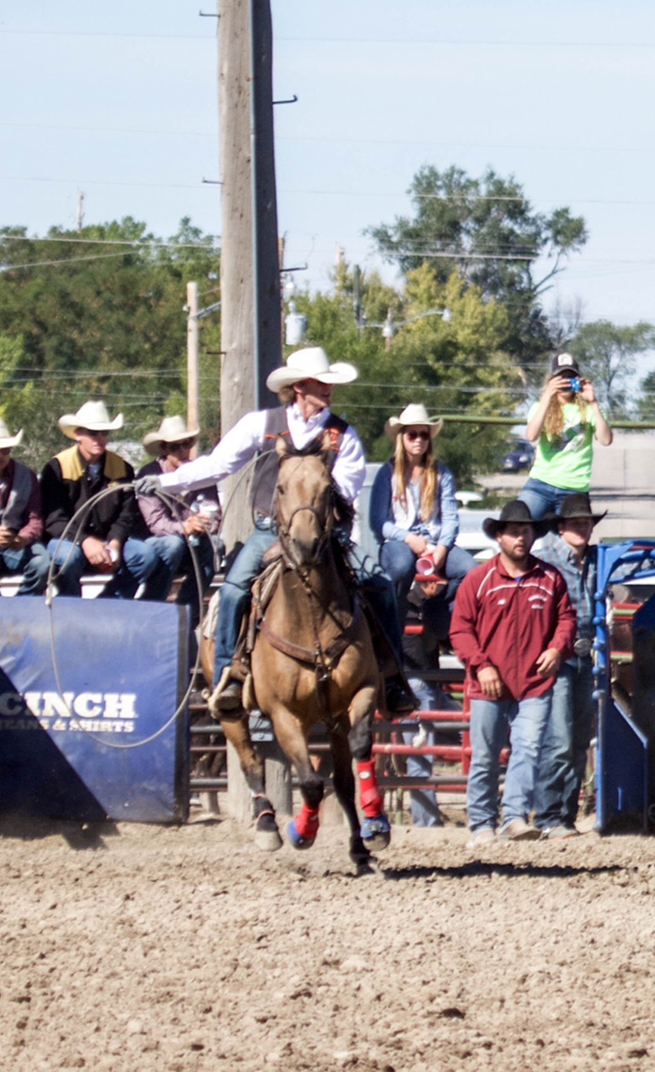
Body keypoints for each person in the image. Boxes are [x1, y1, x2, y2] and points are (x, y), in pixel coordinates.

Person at [134, 347, 417, 720]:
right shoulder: (261, 423)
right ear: (299, 387)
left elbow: (348, 491)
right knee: (234, 591)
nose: (328, 389)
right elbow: (218, 464)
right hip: (270, 531)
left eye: (329, 383)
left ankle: (392, 676)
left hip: (326, 536)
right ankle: (227, 678)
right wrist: (167, 483)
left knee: (378, 582)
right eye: (321, 382)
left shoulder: (342, 437)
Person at [450, 499, 576, 846]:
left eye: (526, 531)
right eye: (514, 532)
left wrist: (556, 647)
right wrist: (481, 665)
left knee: (529, 748)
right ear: (500, 537)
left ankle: (515, 817)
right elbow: (460, 629)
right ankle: (481, 822)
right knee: (486, 755)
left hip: (534, 683)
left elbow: (566, 618)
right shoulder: (479, 580)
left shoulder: (550, 579)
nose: (521, 538)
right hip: (487, 684)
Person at [532, 492, 607, 838]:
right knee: (560, 738)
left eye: (586, 522)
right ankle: (548, 815)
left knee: (578, 741)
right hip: (557, 656)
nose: (582, 527)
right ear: (561, 527)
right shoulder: (543, 558)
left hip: (586, 655)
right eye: (575, 522)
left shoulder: (597, 559)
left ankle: (565, 814)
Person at [41, 401, 165, 600]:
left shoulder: (123, 468)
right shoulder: (56, 468)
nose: (99, 439)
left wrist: (115, 542)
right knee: (68, 558)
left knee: (145, 557)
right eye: (92, 433)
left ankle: (109, 602)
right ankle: (72, 606)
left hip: (108, 539)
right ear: (78, 435)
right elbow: (54, 520)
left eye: (104, 433)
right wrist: (85, 541)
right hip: (68, 539)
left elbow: (126, 515)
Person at [368, 404, 476, 615]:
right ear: (402, 438)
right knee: (401, 565)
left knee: (471, 569)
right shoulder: (386, 473)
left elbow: (451, 518)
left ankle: (433, 609)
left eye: (424, 435)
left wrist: (442, 550)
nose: (419, 440)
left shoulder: (441, 473)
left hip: (435, 542)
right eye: (412, 435)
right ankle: (392, 622)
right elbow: (377, 521)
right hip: (399, 542)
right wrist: (410, 539)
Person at [136, 416, 221, 628]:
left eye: (187, 444)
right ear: (164, 449)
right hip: (156, 544)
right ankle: (152, 606)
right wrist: (185, 527)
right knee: (173, 544)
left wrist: (205, 524)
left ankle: (187, 611)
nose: (183, 451)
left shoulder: (201, 473)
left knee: (216, 546)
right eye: (176, 447)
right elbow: (156, 524)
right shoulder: (149, 476)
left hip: (193, 541)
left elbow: (215, 512)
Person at [520, 352, 612, 520]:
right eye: (561, 378)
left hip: (574, 488)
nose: (566, 383)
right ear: (551, 381)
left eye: (571, 378)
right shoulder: (539, 407)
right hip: (541, 483)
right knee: (518, 525)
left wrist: (593, 402)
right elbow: (531, 436)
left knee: (574, 539)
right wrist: (547, 397)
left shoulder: (589, 408)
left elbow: (606, 440)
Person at [0, 416, 51, 597]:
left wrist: (23, 538)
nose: (1, 456)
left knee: (42, 564)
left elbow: (35, 519)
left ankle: (23, 605)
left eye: (5, 450)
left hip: (16, 542)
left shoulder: (27, 475)